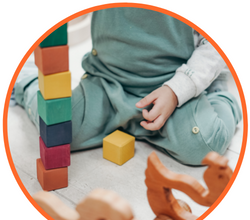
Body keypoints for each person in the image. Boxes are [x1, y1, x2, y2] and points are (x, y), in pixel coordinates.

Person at [14, 7, 242, 165]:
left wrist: (179, 89)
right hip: (105, 81)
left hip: (172, 87)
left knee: (205, 147)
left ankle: (218, 93)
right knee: (58, 129)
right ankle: (27, 81)